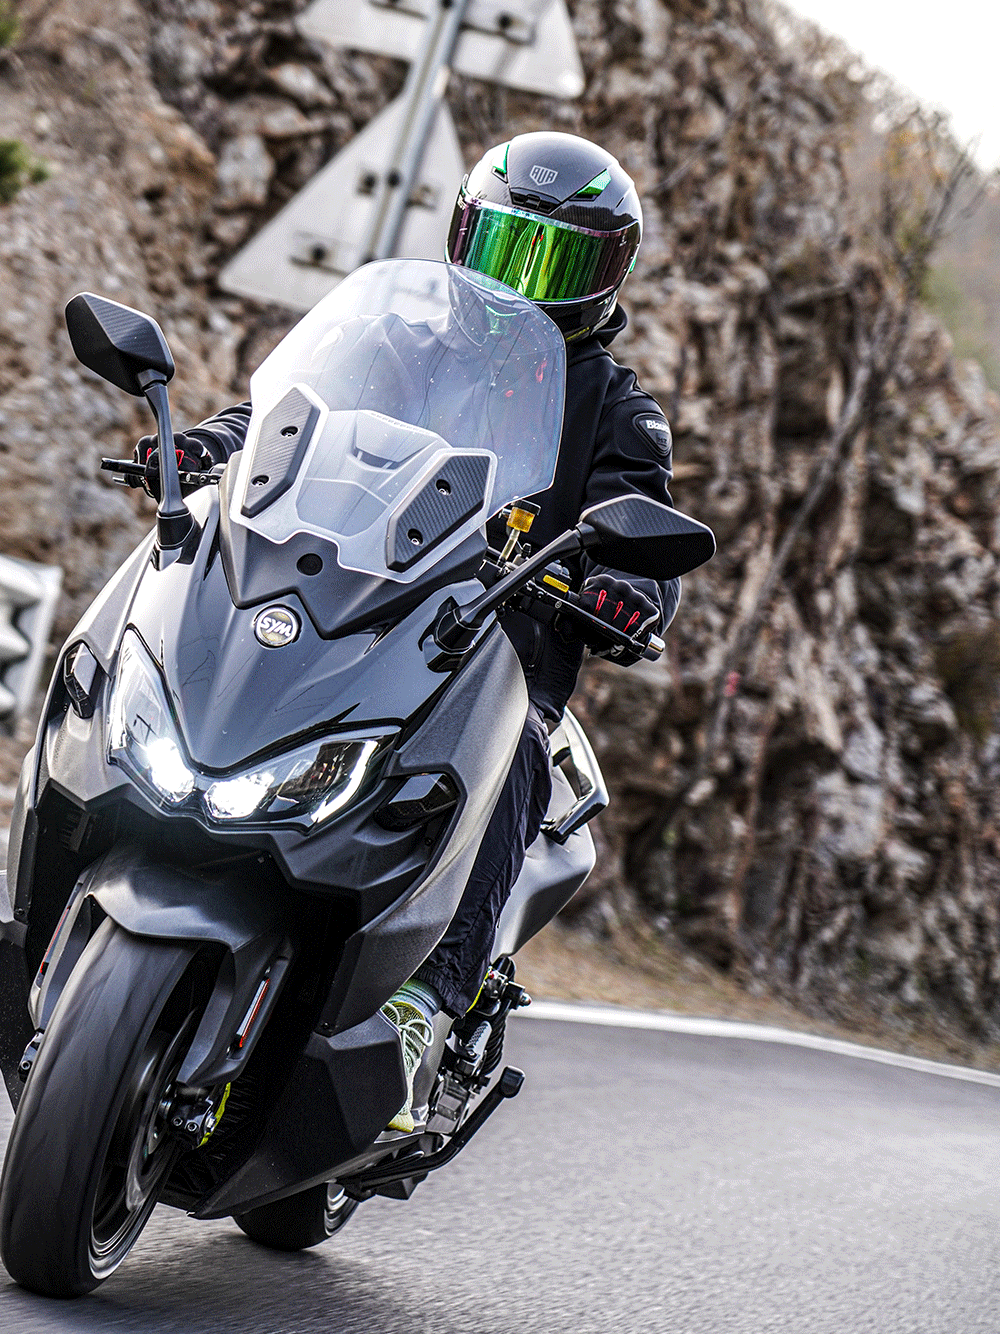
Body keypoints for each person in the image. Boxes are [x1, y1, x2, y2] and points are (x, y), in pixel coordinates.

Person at [137, 131, 680, 1131]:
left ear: (605, 277)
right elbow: (286, 417)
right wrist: (206, 447)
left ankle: (425, 999)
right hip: (356, 606)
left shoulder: (617, 412)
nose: (518, 286)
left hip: (493, 647)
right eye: (506, 247)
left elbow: (640, 526)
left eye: (554, 263)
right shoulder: (395, 345)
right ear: (463, 235)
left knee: (518, 747)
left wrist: (624, 589)